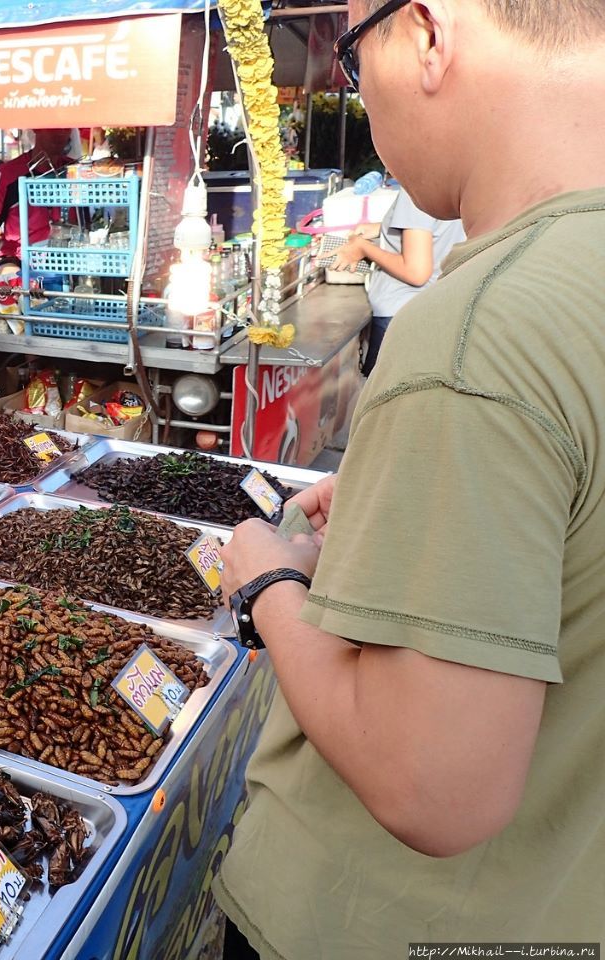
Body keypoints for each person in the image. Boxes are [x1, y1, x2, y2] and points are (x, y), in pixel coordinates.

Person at [214, 0, 605, 956]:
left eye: (353, 54)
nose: (359, 91)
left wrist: (266, 580)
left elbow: (434, 783)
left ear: (427, 34)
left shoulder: (483, 331)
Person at [331, 178, 465, 375]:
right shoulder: (452, 181)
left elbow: (416, 272)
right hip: (439, 308)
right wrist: (382, 228)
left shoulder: (417, 188)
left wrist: (363, 248)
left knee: (384, 401)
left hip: (400, 315)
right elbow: (432, 227)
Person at [0, 128, 72, 262]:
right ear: (37, 129)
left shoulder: (77, 170)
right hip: (19, 259)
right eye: (53, 129)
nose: (60, 133)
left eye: (66, 129)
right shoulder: (6, 173)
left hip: (70, 258)